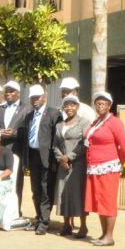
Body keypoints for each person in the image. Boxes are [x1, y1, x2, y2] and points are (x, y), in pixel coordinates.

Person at [85, 91, 125, 247]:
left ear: (110, 106)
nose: (100, 105)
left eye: (104, 103)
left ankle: (109, 236)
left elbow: (124, 147)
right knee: (99, 201)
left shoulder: (115, 122)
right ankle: (104, 234)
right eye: (98, 103)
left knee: (107, 201)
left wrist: (119, 163)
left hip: (108, 167)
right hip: (94, 166)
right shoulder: (96, 121)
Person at [24, 84, 62, 235]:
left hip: (47, 158)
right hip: (33, 156)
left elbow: (56, 139)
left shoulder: (54, 113)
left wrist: (54, 161)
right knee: (36, 190)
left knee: (46, 190)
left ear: (44, 96)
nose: (35, 100)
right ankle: (39, 217)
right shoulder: (29, 115)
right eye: (32, 97)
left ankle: (44, 223)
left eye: (37, 97)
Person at [53, 95, 90, 238]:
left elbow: (85, 144)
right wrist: (61, 158)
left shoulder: (84, 123)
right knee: (63, 193)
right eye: (66, 105)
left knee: (78, 193)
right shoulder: (59, 125)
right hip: (63, 164)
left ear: (77, 106)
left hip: (78, 164)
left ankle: (83, 226)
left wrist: (70, 156)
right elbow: (55, 144)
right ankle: (66, 224)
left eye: (72, 105)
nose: (69, 108)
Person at [0, 80, 28, 217]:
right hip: (0, 149)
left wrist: (15, 133)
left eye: (12, 91)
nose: (8, 94)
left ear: (18, 93)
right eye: (6, 91)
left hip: (16, 149)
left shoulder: (26, 108)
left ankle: (15, 212)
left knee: (16, 180)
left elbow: (27, 130)